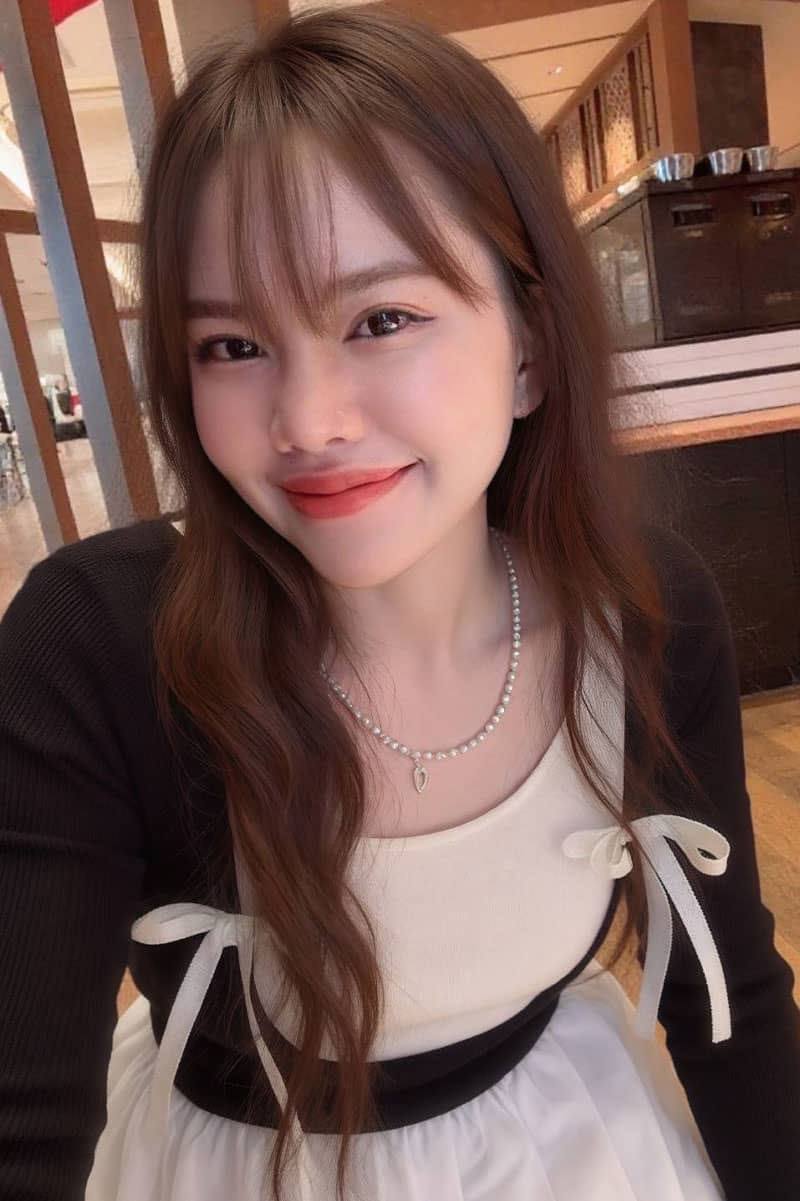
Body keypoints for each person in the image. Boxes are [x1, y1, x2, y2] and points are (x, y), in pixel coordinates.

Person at [1, 7, 798, 1201]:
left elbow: (727, 999)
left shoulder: (640, 608)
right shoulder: (101, 642)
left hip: (571, 1144)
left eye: (381, 319)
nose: (307, 421)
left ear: (528, 345)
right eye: (231, 345)